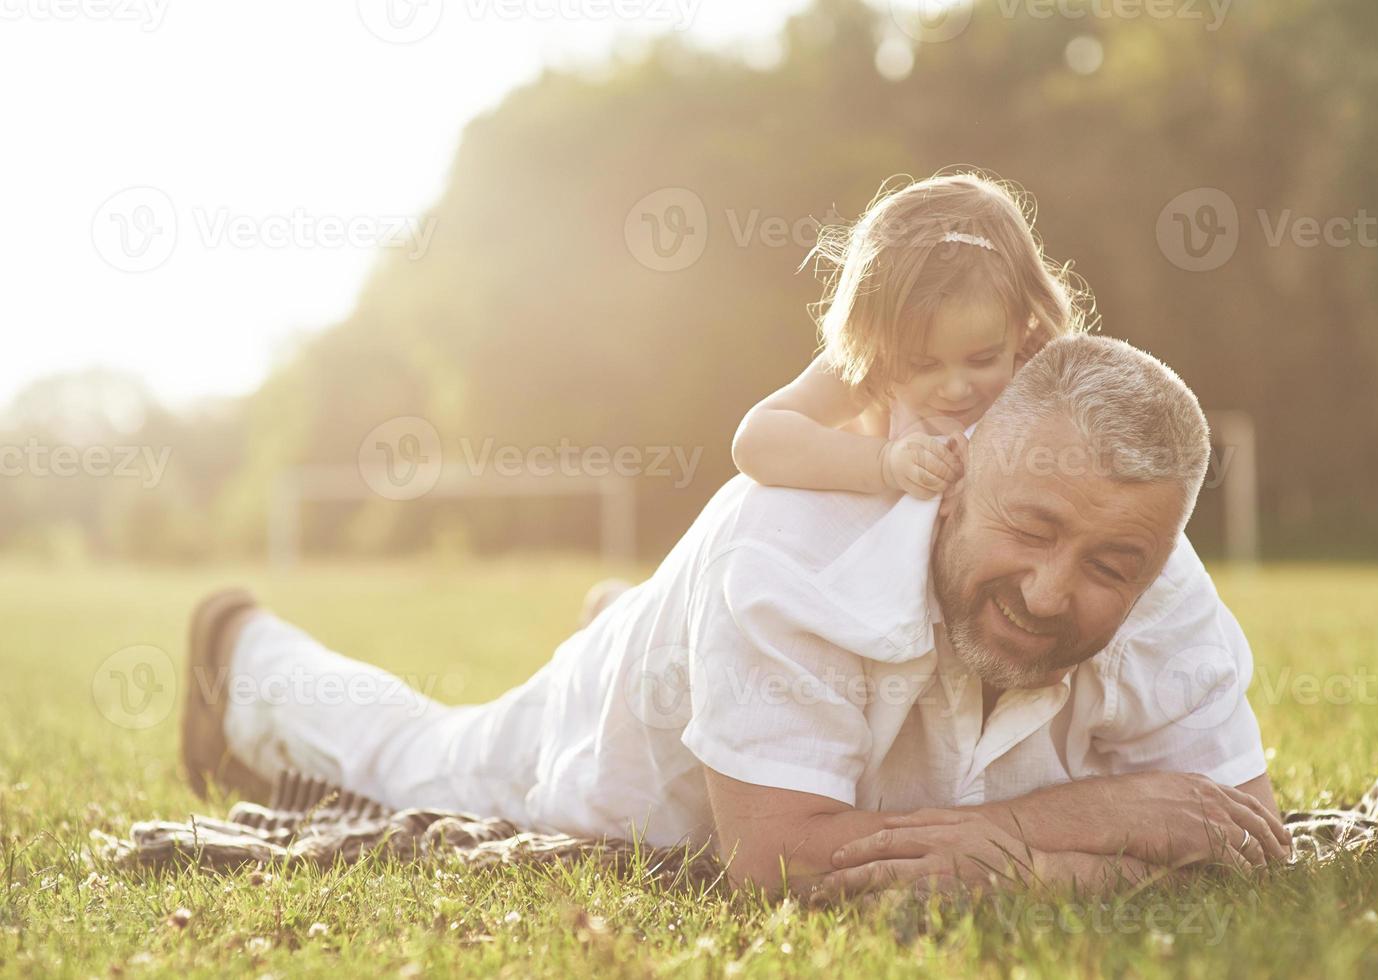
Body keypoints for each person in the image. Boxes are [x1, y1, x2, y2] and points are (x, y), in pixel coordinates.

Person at [182, 335, 1288, 898]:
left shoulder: (1158, 572)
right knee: (426, 753)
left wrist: (1008, 854)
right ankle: (246, 655)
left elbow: (1246, 842)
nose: (1053, 591)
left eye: (1108, 564)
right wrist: (1091, 822)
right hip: (620, 753)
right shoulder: (793, 550)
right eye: (1030, 529)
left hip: (756, 667)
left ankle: (644, 625)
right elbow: (781, 860)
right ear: (951, 477)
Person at [733, 170, 1088, 506]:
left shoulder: (1039, 373)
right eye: (922, 364)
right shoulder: (870, 366)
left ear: (1023, 324)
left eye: (982, 360)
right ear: (875, 338)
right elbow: (755, 441)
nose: (955, 388)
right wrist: (884, 463)